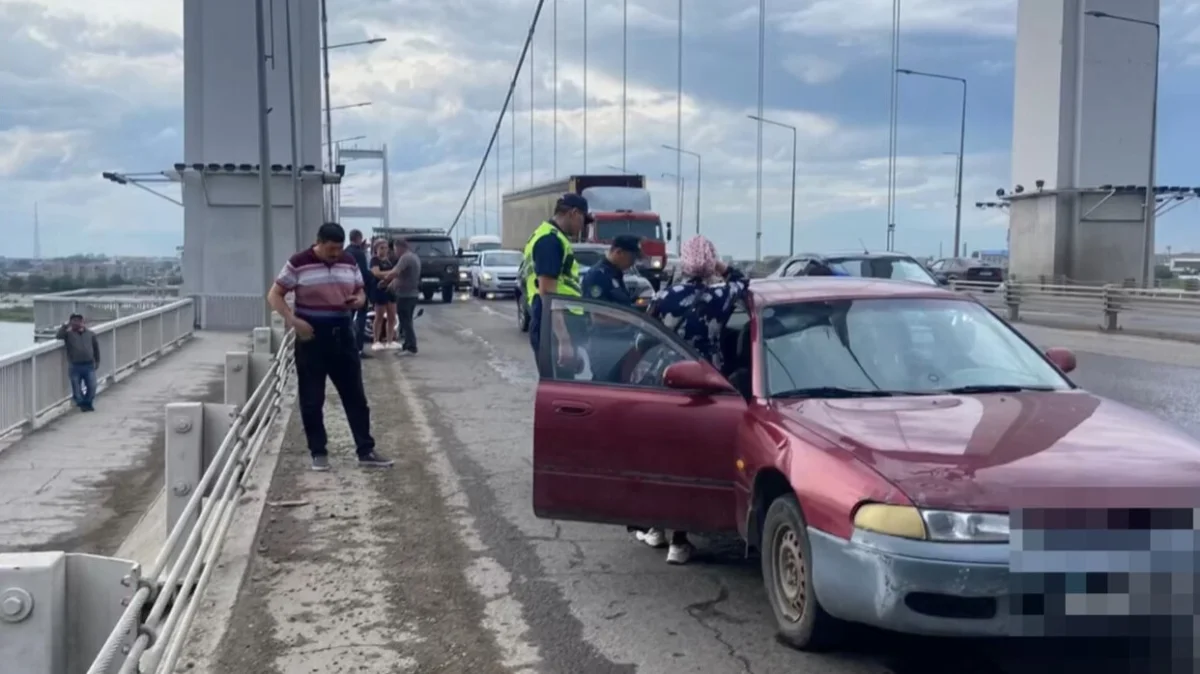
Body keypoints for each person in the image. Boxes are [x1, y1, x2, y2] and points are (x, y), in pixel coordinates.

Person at [637, 235, 750, 565]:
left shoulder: (665, 296)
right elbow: (743, 282)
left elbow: (646, 335)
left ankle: (655, 527)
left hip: (667, 380)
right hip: (707, 384)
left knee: (663, 457)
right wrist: (722, 267)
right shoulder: (721, 295)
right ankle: (680, 540)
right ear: (709, 261)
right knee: (690, 461)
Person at [267, 222, 393, 471]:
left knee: (356, 397)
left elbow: (361, 292)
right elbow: (274, 295)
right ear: (319, 242)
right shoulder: (298, 262)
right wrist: (293, 321)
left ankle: (365, 450)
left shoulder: (348, 261)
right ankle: (318, 452)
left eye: (338, 248)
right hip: (311, 337)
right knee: (312, 399)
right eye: (331, 249)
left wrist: (357, 301)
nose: (336, 254)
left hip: (343, 334)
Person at [523, 193, 591, 365]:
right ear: (574, 213)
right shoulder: (550, 240)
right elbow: (548, 292)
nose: (583, 227)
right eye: (583, 220)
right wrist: (564, 340)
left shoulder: (548, 235)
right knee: (560, 386)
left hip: (552, 321)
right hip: (555, 324)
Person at [579, 234, 641, 381]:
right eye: (631, 258)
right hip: (604, 345)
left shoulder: (616, 275)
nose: (632, 264)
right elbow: (597, 317)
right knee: (605, 387)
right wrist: (630, 321)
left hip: (620, 345)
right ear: (618, 252)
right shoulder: (597, 276)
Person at [56, 313, 100, 412]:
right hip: (75, 365)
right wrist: (65, 326)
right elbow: (58, 336)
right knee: (76, 388)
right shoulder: (68, 334)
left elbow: (96, 348)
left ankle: (88, 402)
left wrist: (97, 360)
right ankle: (82, 404)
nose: (77, 323)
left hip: (89, 364)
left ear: (82, 322)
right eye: (74, 321)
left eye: (79, 321)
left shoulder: (90, 334)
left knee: (92, 386)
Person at [385, 236, 421, 355]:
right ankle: (407, 344)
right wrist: (392, 284)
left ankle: (411, 347)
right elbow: (402, 276)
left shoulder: (405, 258)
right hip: (413, 294)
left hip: (405, 295)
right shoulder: (414, 256)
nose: (395, 252)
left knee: (405, 321)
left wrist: (384, 280)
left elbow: (395, 272)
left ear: (399, 247)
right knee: (408, 320)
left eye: (395, 249)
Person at [346, 229, 372, 356]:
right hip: (359, 291)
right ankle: (359, 348)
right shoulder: (360, 253)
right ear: (359, 238)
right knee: (361, 319)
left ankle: (347, 347)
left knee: (348, 320)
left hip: (346, 290)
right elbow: (364, 274)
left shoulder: (345, 252)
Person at [369, 239, 398, 350]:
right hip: (379, 290)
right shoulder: (374, 260)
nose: (384, 250)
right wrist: (391, 273)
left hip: (390, 290)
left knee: (392, 316)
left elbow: (396, 273)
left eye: (386, 248)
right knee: (379, 316)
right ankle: (376, 340)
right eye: (382, 248)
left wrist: (389, 275)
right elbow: (376, 273)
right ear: (376, 249)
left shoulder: (390, 260)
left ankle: (390, 340)